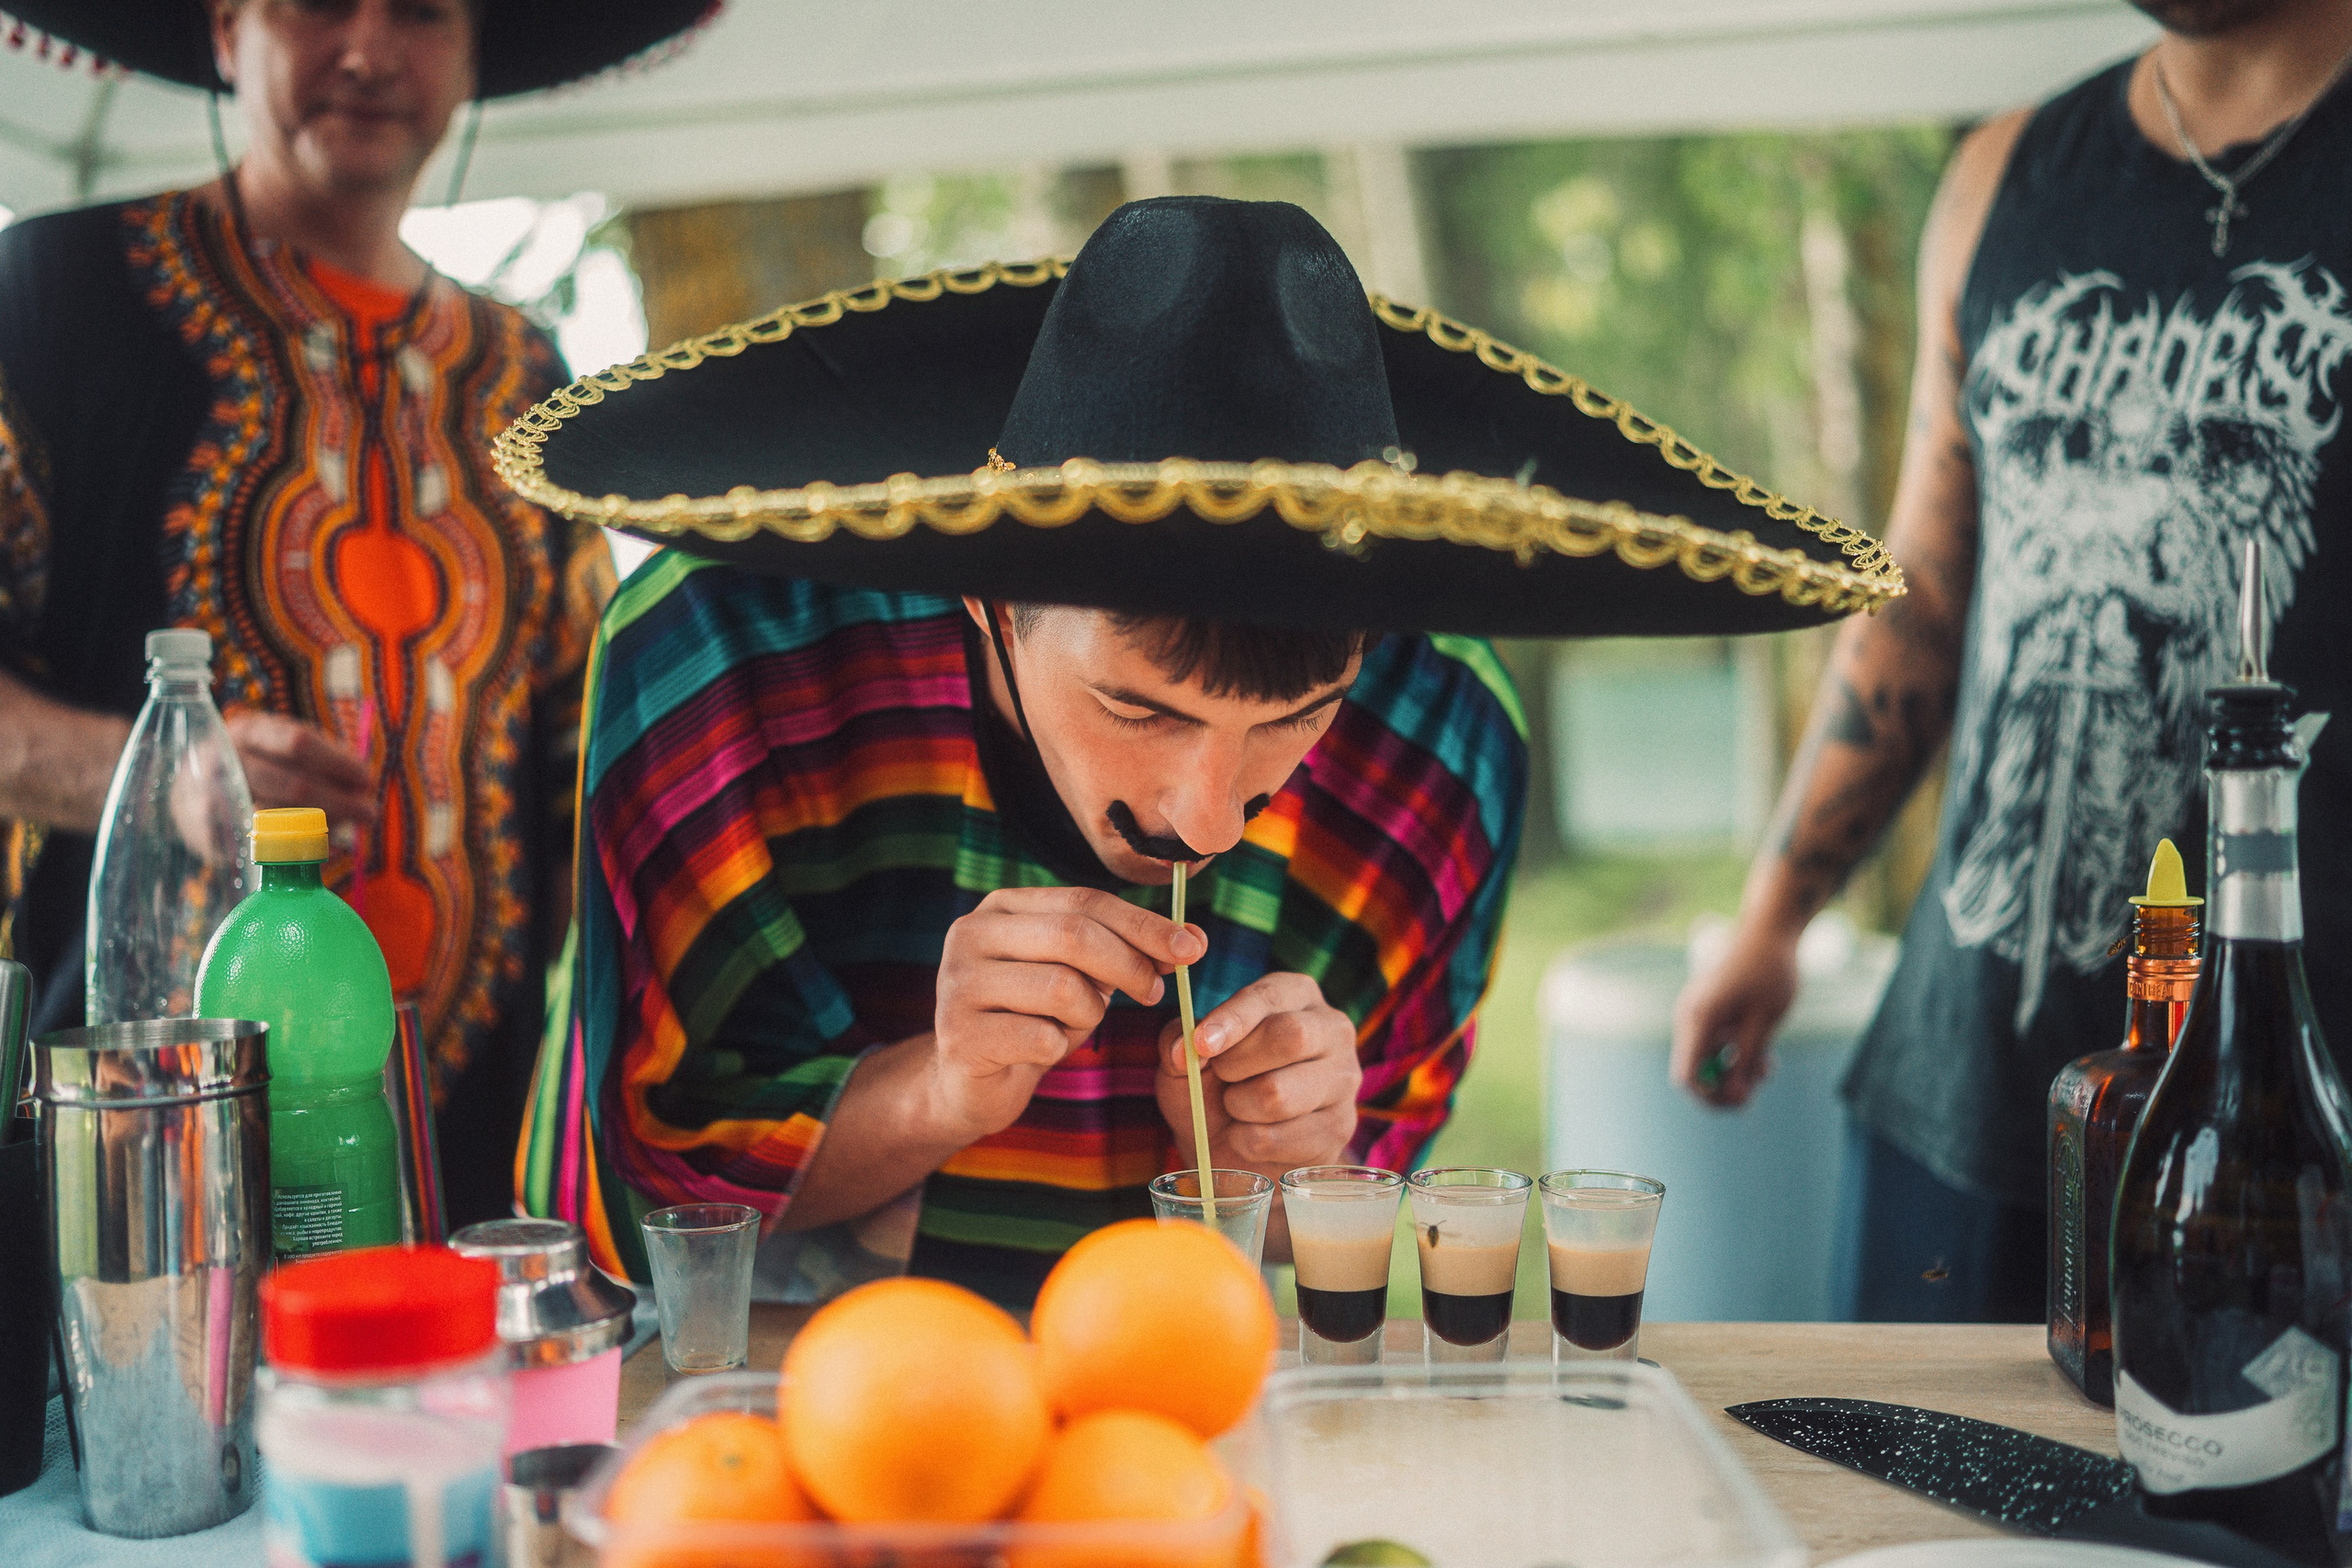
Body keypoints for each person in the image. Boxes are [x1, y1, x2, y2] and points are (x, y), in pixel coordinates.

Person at [503, 196, 1899, 1305]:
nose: (1207, 816)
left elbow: (1338, 1234)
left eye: (1294, 722)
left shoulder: (1442, 737)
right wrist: (935, 1091)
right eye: (1141, 708)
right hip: (809, 1416)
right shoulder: (723, 670)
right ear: (988, 597)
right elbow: (635, 1216)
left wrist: (1285, 1166)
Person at [1670, 0, 2352, 1322]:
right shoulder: (1998, 177)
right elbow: (1922, 586)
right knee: (1895, 1524)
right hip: (1966, 1087)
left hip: (2287, 1143)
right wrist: (1772, 915)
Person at [0, 0, 711, 1225]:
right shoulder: (54, 295)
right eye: (321, 3)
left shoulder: (527, 378)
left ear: (475, 50)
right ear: (228, 31)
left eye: (426, 14)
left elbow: (585, 761)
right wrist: (174, 780)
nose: (373, 51)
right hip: (145, 1161)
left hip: (472, 1160)